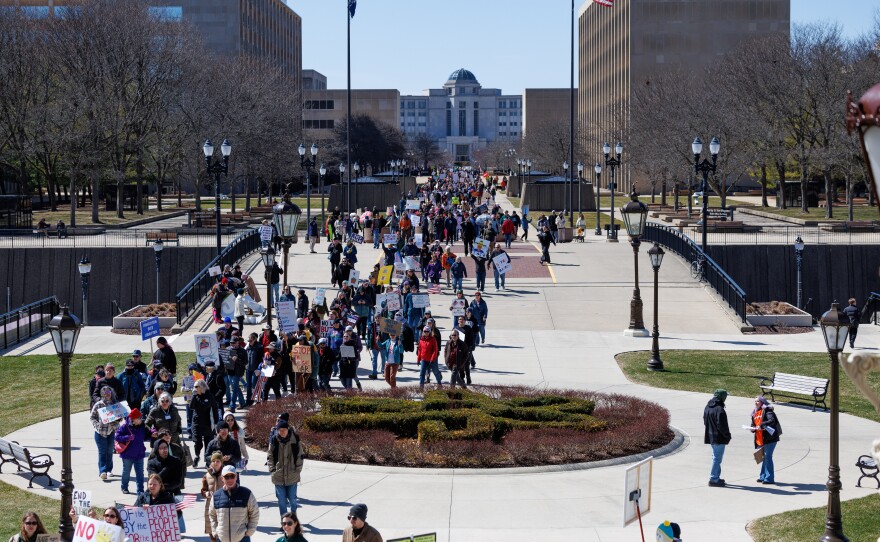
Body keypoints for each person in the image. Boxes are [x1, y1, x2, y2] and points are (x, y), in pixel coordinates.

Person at [209, 466, 260, 542]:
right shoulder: (216, 496)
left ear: (236, 477)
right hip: (222, 539)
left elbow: (255, 513)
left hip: (242, 539)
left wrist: (250, 531)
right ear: (222, 478)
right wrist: (215, 531)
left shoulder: (246, 493)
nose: (230, 479)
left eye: (232, 476)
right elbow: (212, 515)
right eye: (227, 477)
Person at [267, 420, 304, 516]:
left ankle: (293, 516)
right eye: (280, 430)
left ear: (288, 430)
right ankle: (284, 520)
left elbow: (300, 456)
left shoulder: (295, 439)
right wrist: (272, 470)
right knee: (281, 500)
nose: (282, 432)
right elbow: (269, 456)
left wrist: (297, 470)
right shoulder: (274, 440)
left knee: (292, 499)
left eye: (284, 430)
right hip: (278, 475)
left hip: (292, 475)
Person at [90, 386, 121, 480]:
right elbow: (92, 417)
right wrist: (97, 425)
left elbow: (120, 418)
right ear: (102, 394)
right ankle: (102, 471)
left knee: (109, 451)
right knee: (102, 452)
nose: (107, 394)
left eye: (108, 392)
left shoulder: (115, 405)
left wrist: (116, 420)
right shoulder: (98, 404)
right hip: (100, 433)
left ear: (111, 393)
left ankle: (109, 470)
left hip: (111, 432)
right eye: (105, 392)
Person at [115, 408, 148, 495]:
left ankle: (140, 490)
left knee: (140, 474)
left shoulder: (143, 426)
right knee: (126, 472)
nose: (141, 419)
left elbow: (147, 435)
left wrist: (153, 433)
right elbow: (117, 437)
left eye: (141, 418)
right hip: (127, 455)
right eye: (139, 418)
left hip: (139, 454)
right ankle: (124, 487)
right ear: (133, 420)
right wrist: (127, 437)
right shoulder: (125, 427)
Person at [750, 396, 782, 484]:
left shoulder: (767, 410)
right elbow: (753, 424)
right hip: (761, 438)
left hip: (770, 438)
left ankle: (769, 478)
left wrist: (762, 424)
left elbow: (772, 420)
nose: (756, 403)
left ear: (762, 402)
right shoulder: (755, 412)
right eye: (755, 401)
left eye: (758, 401)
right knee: (764, 457)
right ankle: (763, 476)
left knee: (768, 457)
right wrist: (752, 428)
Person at [703, 389, 731, 487]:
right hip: (719, 437)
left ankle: (716, 477)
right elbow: (722, 426)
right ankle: (714, 479)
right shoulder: (720, 409)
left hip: (710, 436)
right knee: (717, 459)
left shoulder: (707, 407)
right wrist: (727, 436)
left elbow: (704, 421)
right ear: (722, 397)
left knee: (715, 457)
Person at [190, 380, 218, 467]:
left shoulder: (209, 396)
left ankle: (207, 460)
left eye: (196, 387)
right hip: (197, 423)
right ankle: (197, 456)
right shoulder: (195, 396)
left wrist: (216, 422)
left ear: (201, 387)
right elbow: (191, 406)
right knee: (197, 443)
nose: (194, 389)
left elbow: (215, 408)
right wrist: (194, 395)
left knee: (208, 443)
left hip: (207, 423)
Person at [201, 452, 224, 542]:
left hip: (223, 506)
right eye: (213, 461)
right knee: (212, 532)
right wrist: (206, 494)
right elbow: (203, 490)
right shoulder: (207, 475)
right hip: (210, 507)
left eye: (218, 461)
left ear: (221, 462)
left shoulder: (226, 475)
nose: (215, 463)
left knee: (222, 532)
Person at [417, 326, 442, 390]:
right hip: (424, 359)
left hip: (432, 360)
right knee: (422, 373)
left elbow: (435, 350)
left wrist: (432, 359)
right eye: (425, 331)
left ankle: (439, 383)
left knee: (435, 372)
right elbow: (420, 349)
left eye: (427, 331)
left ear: (430, 332)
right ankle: (421, 386)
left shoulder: (433, 339)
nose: (426, 333)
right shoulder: (421, 339)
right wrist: (418, 359)